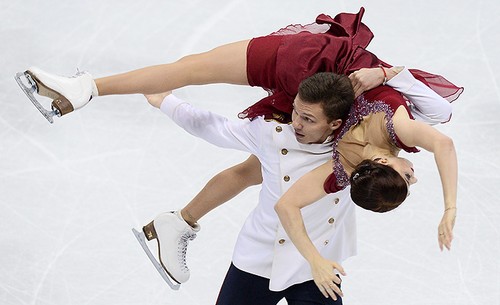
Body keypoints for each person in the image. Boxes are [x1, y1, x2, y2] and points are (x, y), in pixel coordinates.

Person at [140, 68, 456, 303]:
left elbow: (439, 118)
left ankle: (178, 221)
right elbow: (215, 129)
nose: (297, 123)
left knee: (250, 172)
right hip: (261, 255)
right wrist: (165, 101)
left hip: (316, 265)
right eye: (297, 114)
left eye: (307, 119)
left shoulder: (353, 160)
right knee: (249, 171)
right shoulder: (277, 132)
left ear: (335, 123)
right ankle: (178, 221)